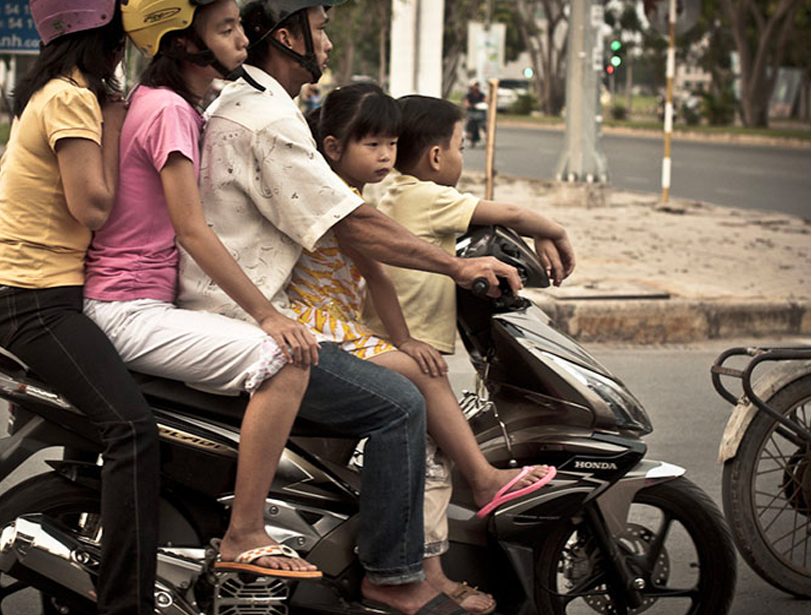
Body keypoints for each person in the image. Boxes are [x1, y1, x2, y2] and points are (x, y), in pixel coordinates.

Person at [178, 2, 523, 614]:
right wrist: (456, 266)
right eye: (321, 29)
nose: (329, 43)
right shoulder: (266, 117)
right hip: (247, 318)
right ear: (286, 37)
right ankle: (392, 577)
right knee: (401, 403)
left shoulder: (260, 106)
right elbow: (355, 226)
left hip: (252, 307)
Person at [291, 82, 557, 615]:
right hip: (315, 325)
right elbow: (389, 258)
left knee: (360, 437)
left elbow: (378, 275)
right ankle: (479, 483)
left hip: (347, 326)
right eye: (372, 145)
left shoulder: (366, 196)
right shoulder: (339, 195)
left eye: (389, 144)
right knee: (426, 390)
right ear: (333, 146)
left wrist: (406, 337)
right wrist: (549, 229)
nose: (385, 156)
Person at [83, 0, 320, 578]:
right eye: (227, 29)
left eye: (238, 25)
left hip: (132, 302)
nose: (244, 39)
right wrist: (268, 316)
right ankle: (245, 531)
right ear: (182, 44)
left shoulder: (160, 102)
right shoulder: (170, 111)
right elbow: (193, 228)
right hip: (127, 308)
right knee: (285, 361)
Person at [0, 2, 160, 613]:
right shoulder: (72, 99)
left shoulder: (53, 92)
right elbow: (93, 207)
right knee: (130, 429)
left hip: (28, 290)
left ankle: (79, 540)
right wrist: (117, 118)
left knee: (105, 416)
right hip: (28, 296)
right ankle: (126, 602)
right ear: (102, 42)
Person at [363, 92, 574, 364]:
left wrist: (537, 233)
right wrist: (556, 232)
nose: (461, 157)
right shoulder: (431, 197)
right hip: (414, 337)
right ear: (436, 157)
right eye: (460, 149)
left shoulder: (397, 192)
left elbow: (489, 219)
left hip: (388, 332)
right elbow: (512, 213)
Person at [463, 80, 486, 147]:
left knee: (483, 127)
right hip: (471, 113)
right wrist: (473, 106)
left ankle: (484, 141)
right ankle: (471, 140)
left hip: (480, 113)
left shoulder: (481, 95)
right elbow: (467, 104)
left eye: (477, 85)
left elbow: (486, 101)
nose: (476, 87)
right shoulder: (469, 95)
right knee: (470, 126)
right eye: (475, 85)